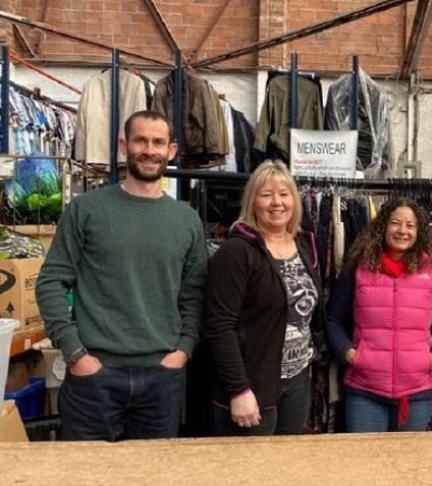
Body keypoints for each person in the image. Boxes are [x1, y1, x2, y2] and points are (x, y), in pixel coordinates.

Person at [36, 110, 208, 441]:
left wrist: (183, 349)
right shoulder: (86, 210)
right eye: (140, 140)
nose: (149, 149)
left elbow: (195, 293)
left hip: (163, 378)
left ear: (170, 151)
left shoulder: (186, 219)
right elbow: (51, 281)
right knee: (87, 475)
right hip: (94, 377)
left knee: (154, 475)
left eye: (158, 142)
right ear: (123, 145)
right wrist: (74, 352)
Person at [205, 160, 326, 436]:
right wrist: (239, 389)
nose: (276, 203)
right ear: (252, 202)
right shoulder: (236, 252)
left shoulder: (304, 244)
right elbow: (219, 326)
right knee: (250, 473)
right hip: (253, 385)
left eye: (284, 194)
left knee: (285, 469)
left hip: (297, 380)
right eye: (266, 194)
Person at [326, 198, 432, 432]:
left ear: (418, 231)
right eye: (395, 223)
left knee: (409, 465)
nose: (402, 231)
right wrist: (351, 354)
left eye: (410, 225)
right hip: (365, 390)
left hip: (417, 391)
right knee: (366, 464)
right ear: (383, 226)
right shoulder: (358, 266)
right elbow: (334, 321)